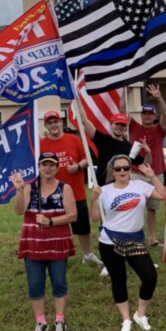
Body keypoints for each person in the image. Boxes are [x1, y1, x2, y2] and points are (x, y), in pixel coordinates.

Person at [90, 156, 165, 331]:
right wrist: (93, 199)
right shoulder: (104, 191)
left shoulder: (140, 186)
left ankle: (140, 313)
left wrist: (153, 176)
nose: (122, 171)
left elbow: (163, 195)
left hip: (135, 239)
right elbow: (94, 218)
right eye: (118, 169)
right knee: (118, 280)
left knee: (149, 276)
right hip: (110, 240)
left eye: (126, 167)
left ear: (130, 169)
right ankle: (126, 319)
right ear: (112, 171)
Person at [10, 152, 77, 331]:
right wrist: (18, 190)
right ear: (39, 167)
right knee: (35, 284)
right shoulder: (30, 187)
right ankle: (41, 322)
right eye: (44, 164)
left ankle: (59, 320)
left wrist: (51, 221)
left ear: (57, 168)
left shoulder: (65, 188)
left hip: (57, 243)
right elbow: (18, 210)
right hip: (33, 243)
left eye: (51, 165)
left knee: (59, 282)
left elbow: (73, 215)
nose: (47, 168)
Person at [39, 111, 103, 269]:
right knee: (55, 225)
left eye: (56, 121)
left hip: (76, 191)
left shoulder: (73, 139)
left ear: (62, 122)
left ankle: (88, 254)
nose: (53, 125)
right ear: (45, 125)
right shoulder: (41, 144)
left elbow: (87, 158)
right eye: (50, 122)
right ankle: (56, 255)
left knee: (82, 225)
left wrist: (77, 166)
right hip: (52, 192)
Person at [129, 83, 166, 247]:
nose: (147, 116)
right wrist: (125, 87)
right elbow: (122, 110)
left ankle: (152, 238)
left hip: (156, 172)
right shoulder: (134, 126)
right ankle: (135, 237)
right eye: (144, 113)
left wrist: (159, 98)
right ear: (141, 115)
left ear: (154, 116)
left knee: (152, 208)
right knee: (134, 206)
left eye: (149, 114)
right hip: (136, 172)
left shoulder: (159, 129)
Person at [84, 112, 146, 191]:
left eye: (123, 125)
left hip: (123, 189)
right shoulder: (103, 140)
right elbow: (84, 121)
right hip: (103, 187)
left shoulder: (129, 147)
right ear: (111, 124)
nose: (120, 127)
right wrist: (77, 99)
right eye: (117, 124)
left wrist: (148, 152)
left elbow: (143, 164)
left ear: (126, 128)